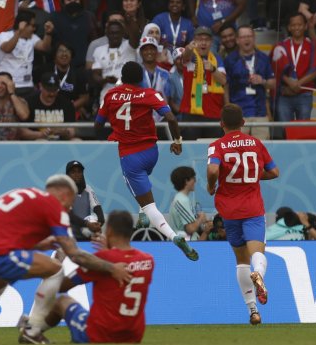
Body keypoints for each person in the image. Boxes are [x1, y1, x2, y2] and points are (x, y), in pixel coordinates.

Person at [0, 175, 131, 344]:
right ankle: (32, 331)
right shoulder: (54, 206)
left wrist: (39, 245)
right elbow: (75, 255)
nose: (70, 208)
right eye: (71, 203)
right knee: (55, 269)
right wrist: (111, 268)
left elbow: (3, 231)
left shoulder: (22, 194)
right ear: (64, 195)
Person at [95, 61, 198, 261]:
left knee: (148, 203)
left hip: (129, 155)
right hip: (151, 152)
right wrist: (177, 141)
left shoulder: (110, 95)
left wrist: (115, 131)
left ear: (122, 77)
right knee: (140, 181)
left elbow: (97, 125)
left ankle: (173, 236)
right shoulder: (149, 94)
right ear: (141, 78)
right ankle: (142, 210)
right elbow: (171, 118)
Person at [207, 103, 279, 325]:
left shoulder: (216, 146)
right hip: (252, 208)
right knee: (257, 252)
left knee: (240, 261)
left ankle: (253, 311)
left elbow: (213, 169)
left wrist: (211, 185)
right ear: (243, 122)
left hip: (229, 210)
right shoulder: (256, 143)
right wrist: (253, 175)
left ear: (221, 124)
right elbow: (274, 172)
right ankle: (259, 274)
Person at [42, 210, 153, 344]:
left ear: (109, 230)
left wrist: (56, 264)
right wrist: (109, 252)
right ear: (131, 231)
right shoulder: (148, 260)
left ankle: (32, 332)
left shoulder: (102, 260)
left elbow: (61, 287)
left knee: (62, 302)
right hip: (134, 336)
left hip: (100, 334)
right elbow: (123, 262)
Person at [272, 13, 316, 123]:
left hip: (304, 94)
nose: (296, 27)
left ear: (305, 26)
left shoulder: (312, 46)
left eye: (299, 24)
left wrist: (297, 84)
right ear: (289, 27)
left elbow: (315, 71)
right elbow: (276, 68)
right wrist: (290, 82)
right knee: (285, 129)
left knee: (303, 129)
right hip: (285, 94)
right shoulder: (281, 46)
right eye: (293, 25)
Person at [224, 25, 274, 140]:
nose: (247, 39)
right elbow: (225, 86)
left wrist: (263, 81)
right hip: (238, 115)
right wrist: (227, 110)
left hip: (260, 113)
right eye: (243, 37)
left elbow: (273, 83)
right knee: (237, 149)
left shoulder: (263, 58)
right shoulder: (230, 60)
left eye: (249, 36)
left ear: (254, 38)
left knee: (260, 148)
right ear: (237, 40)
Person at [179, 26, 227, 139]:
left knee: (213, 148)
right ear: (194, 41)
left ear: (211, 42)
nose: (203, 43)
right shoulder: (191, 57)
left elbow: (223, 81)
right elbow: (185, 56)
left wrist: (213, 69)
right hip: (191, 112)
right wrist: (189, 48)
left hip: (213, 112)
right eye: (200, 39)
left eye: (207, 40)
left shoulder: (217, 59)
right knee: (190, 148)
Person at [0, 10, 54, 97]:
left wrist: (48, 33)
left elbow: (44, 47)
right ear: (23, 25)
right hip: (8, 85)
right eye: (33, 26)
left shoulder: (32, 37)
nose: (34, 29)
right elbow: (7, 49)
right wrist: (19, 32)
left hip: (28, 85)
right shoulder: (4, 35)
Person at [50, 0, 98, 69]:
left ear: (80, 1)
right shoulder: (55, 17)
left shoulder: (89, 16)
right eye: (69, 0)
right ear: (63, 2)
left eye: (76, 0)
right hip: (62, 65)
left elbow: (94, 40)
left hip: (85, 64)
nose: (73, 2)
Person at [19, 74, 76, 141]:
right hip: (37, 142)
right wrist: (40, 134)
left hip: (61, 141)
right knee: (42, 141)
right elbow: (22, 132)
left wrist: (63, 132)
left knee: (77, 141)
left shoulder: (66, 103)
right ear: (40, 86)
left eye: (54, 90)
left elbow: (72, 131)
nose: (52, 94)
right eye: (48, 90)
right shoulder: (29, 102)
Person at [91, 21, 137, 103]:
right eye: (112, 33)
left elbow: (135, 34)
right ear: (107, 34)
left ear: (122, 33)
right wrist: (105, 80)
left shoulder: (129, 46)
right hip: (107, 95)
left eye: (117, 33)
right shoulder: (99, 50)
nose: (115, 36)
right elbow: (95, 75)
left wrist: (130, 19)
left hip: (128, 94)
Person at [169, 166, 212, 241]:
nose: (195, 181)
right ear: (186, 181)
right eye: (193, 178)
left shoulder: (182, 199)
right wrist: (201, 218)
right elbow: (190, 229)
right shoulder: (182, 200)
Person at [66, 160, 105, 240]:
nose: (77, 175)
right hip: (70, 237)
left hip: (87, 234)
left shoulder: (88, 189)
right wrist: (87, 224)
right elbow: (70, 216)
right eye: (73, 172)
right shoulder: (64, 191)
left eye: (79, 172)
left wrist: (98, 224)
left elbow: (98, 210)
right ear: (68, 175)